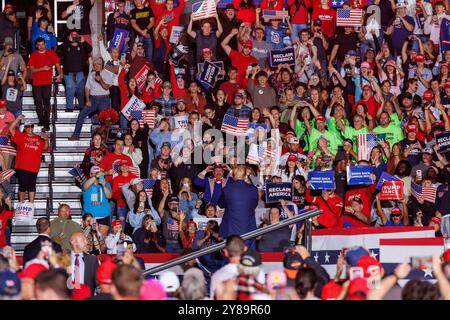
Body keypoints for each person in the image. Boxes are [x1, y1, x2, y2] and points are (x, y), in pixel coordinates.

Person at [69, 57, 113, 141]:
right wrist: (88, 100)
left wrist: (100, 81)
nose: (97, 66)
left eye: (99, 64)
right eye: (95, 64)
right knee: (82, 114)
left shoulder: (107, 74)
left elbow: (106, 87)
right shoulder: (91, 74)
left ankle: (103, 139)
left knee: (106, 121)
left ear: (102, 65)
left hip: (104, 99)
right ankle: (76, 135)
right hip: (93, 99)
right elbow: (87, 88)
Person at [8, 115, 47, 203]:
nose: (30, 128)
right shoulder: (21, 136)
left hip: (34, 167)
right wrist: (18, 118)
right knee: (23, 185)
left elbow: (45, 148)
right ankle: (21, 204)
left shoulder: (38, 137)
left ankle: (31, 205)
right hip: (23, 166)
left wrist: (46, 139)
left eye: (32, 126)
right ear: (25, 128)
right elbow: (10, 129)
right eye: (28, 126)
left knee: (32, 186)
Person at [218, 165, 258, 248]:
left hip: (230, 230)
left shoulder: (227, 189)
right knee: (248, 259)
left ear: (233, 175)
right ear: (244, 175)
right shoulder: (253, 189)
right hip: (249, 228)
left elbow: (221, 205)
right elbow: (254, 205)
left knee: (231, 257)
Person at [27, 37, 62, 131]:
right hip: (37, 82)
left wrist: (60, 75)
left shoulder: (51, 53)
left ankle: (46, 123)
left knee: (46, 102)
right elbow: (32, 70)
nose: (41, 46)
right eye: (39, 45)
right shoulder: (34, 55)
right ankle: (41, 120)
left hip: (47, 82)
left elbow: (58, 64)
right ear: (36, 46)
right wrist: (42, 68)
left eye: (43, 44)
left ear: (45, 44)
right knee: (38, 102)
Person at [59, 31, 92, 112]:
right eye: (72, 35)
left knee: (81, 88)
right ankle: (70, 107)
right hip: (68, 72)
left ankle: (81, 106)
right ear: (69, 36)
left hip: (81, 71)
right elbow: (59, 51)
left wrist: (84, 42)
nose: (74, 37)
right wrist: (68, 41)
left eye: (76, 35)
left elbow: (90, 49)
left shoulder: (82, 45)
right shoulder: (66, 45)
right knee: (70, 87)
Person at [81, 166, 112, 238]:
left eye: (97, 173)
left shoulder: (106, 184)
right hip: (89, 217)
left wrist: (104, 186)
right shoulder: (86, 183)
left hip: (103, 216)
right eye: (94, 173)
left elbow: (109, 196)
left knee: (102, 239)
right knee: (89, 238)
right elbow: (84, 187)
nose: (96, 175)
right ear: (90, 174)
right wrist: (95, 177)